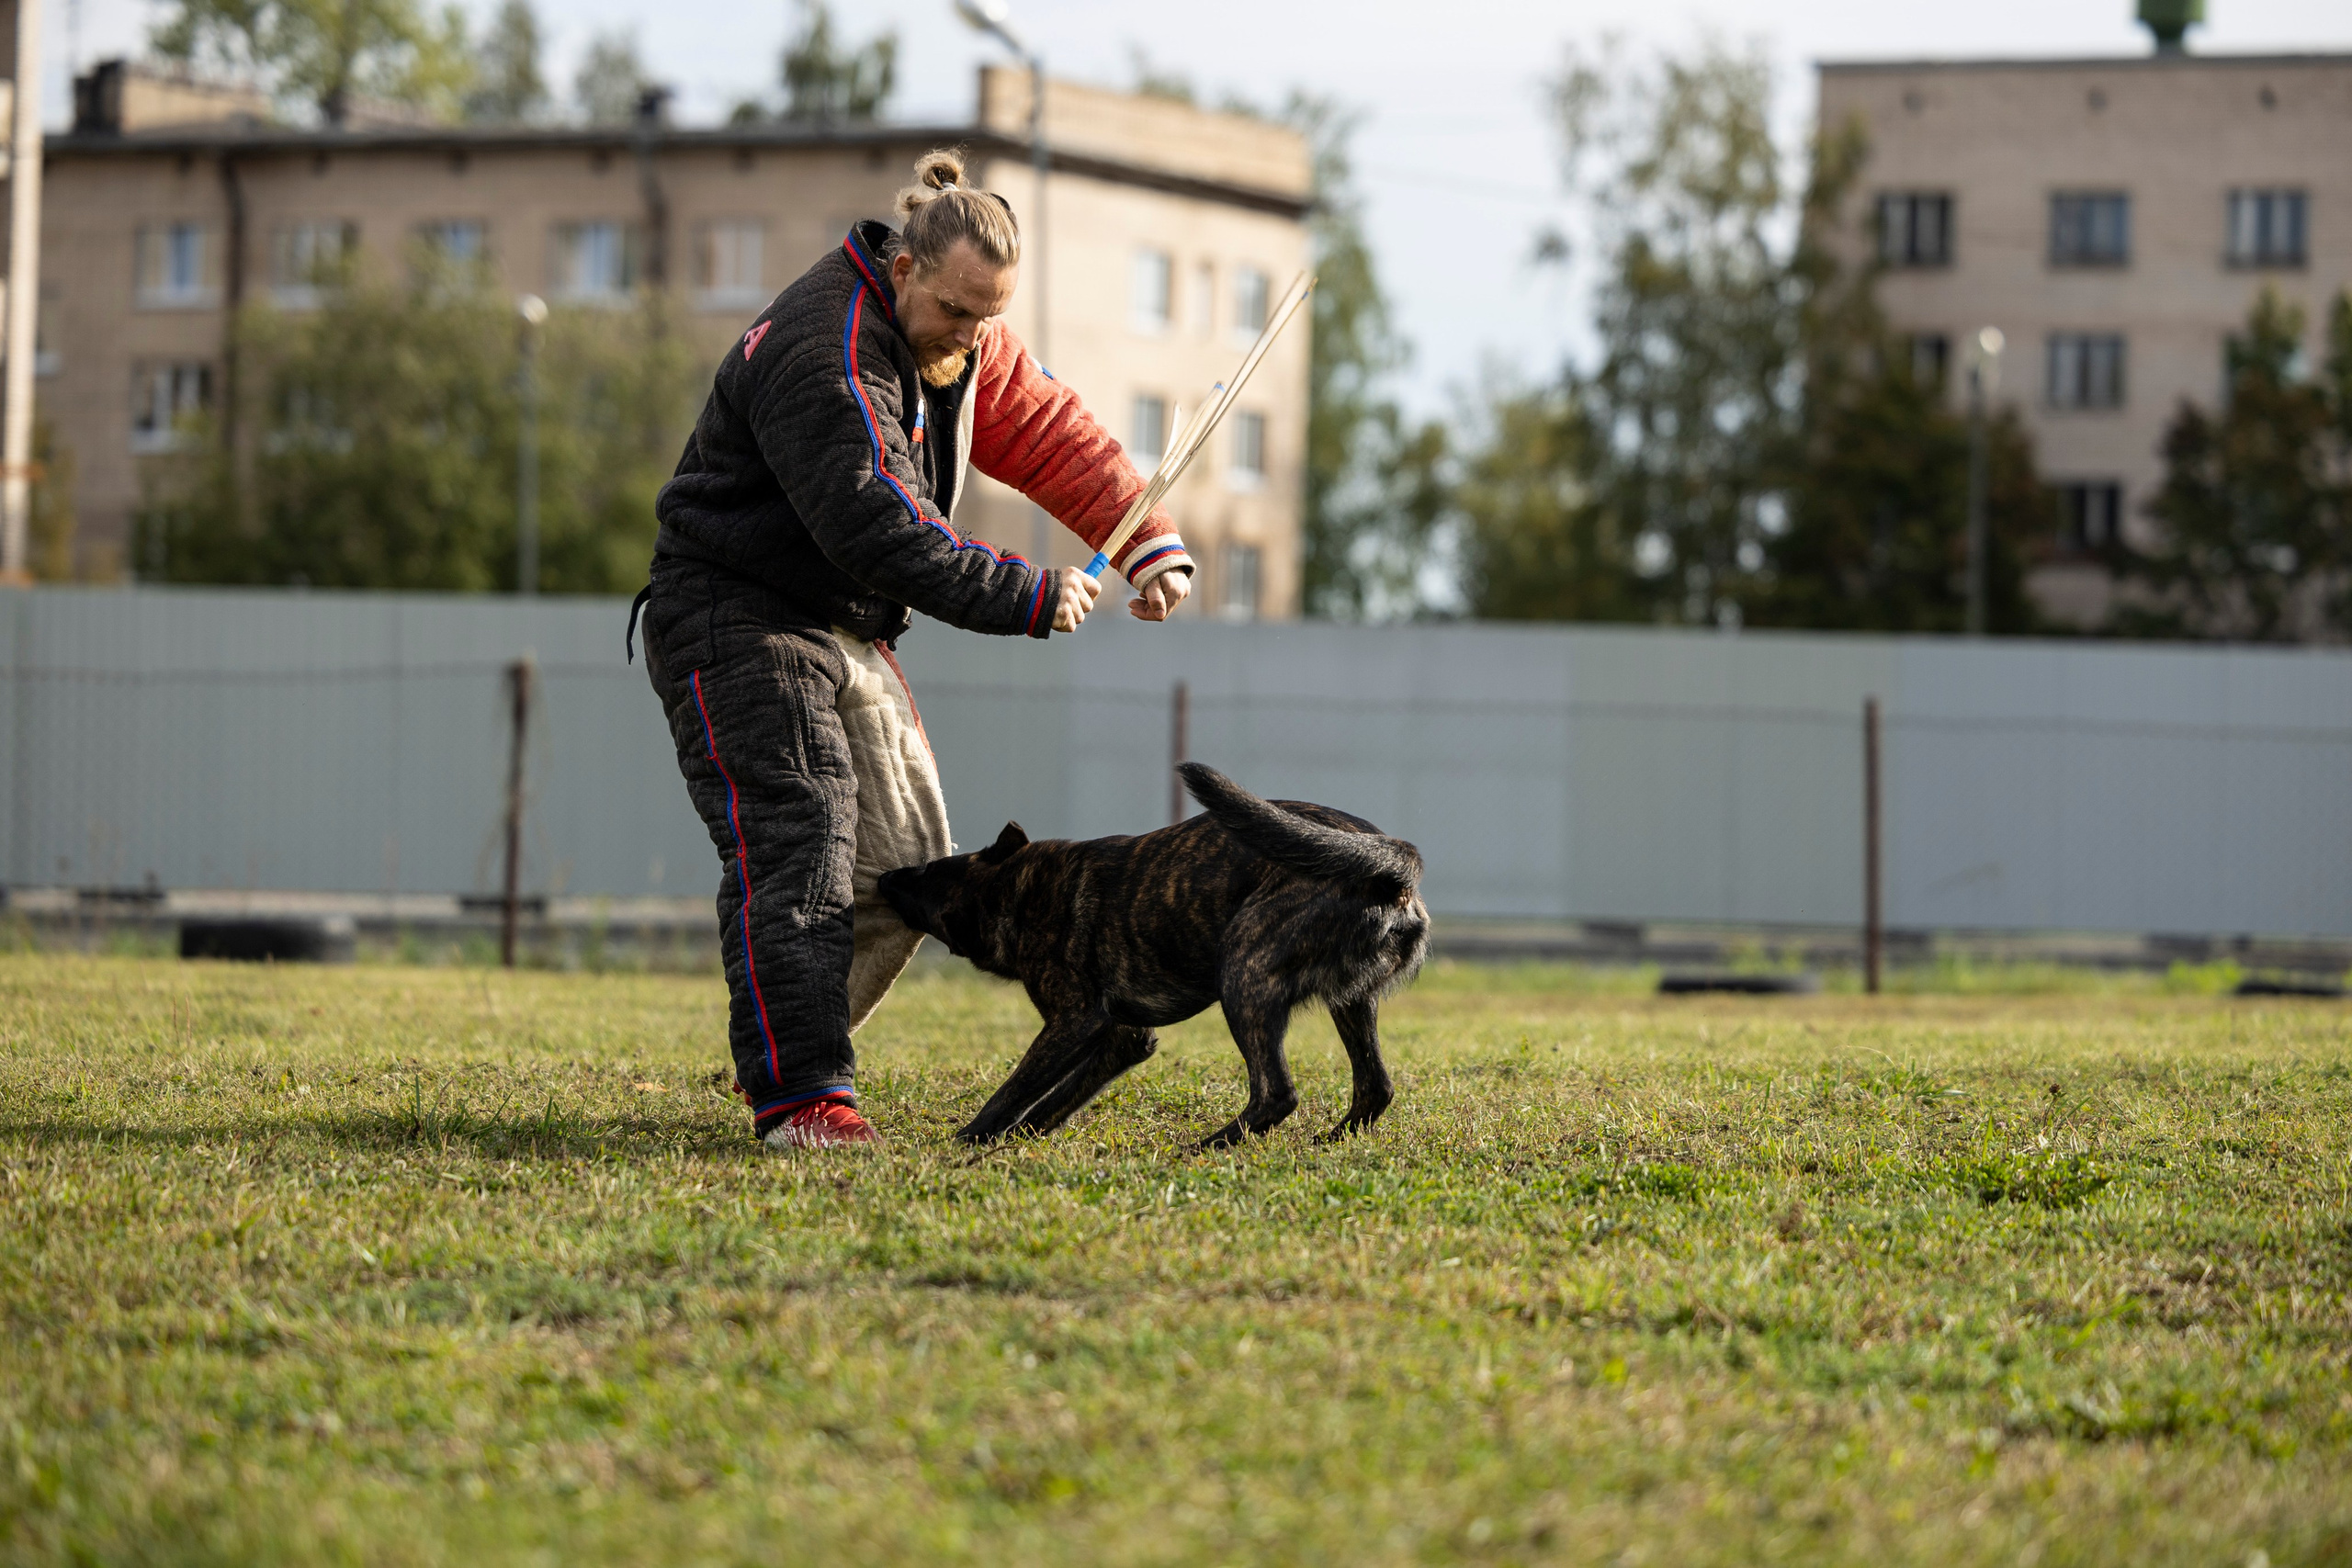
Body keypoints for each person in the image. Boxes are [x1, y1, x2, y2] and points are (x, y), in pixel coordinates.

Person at [631, 148, 1193, 1152]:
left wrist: (1146, 546)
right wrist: (1026, 593)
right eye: (955, 312)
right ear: (902, 271)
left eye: (991, 318)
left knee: (905, 872)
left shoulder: (957, 338)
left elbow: (1051, 433)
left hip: (841, 622)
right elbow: (877, 527)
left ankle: (782, 1041)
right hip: (735, 614)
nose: (972, 338)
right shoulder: (826, 349)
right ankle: (803, 1098)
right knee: (800, 834)